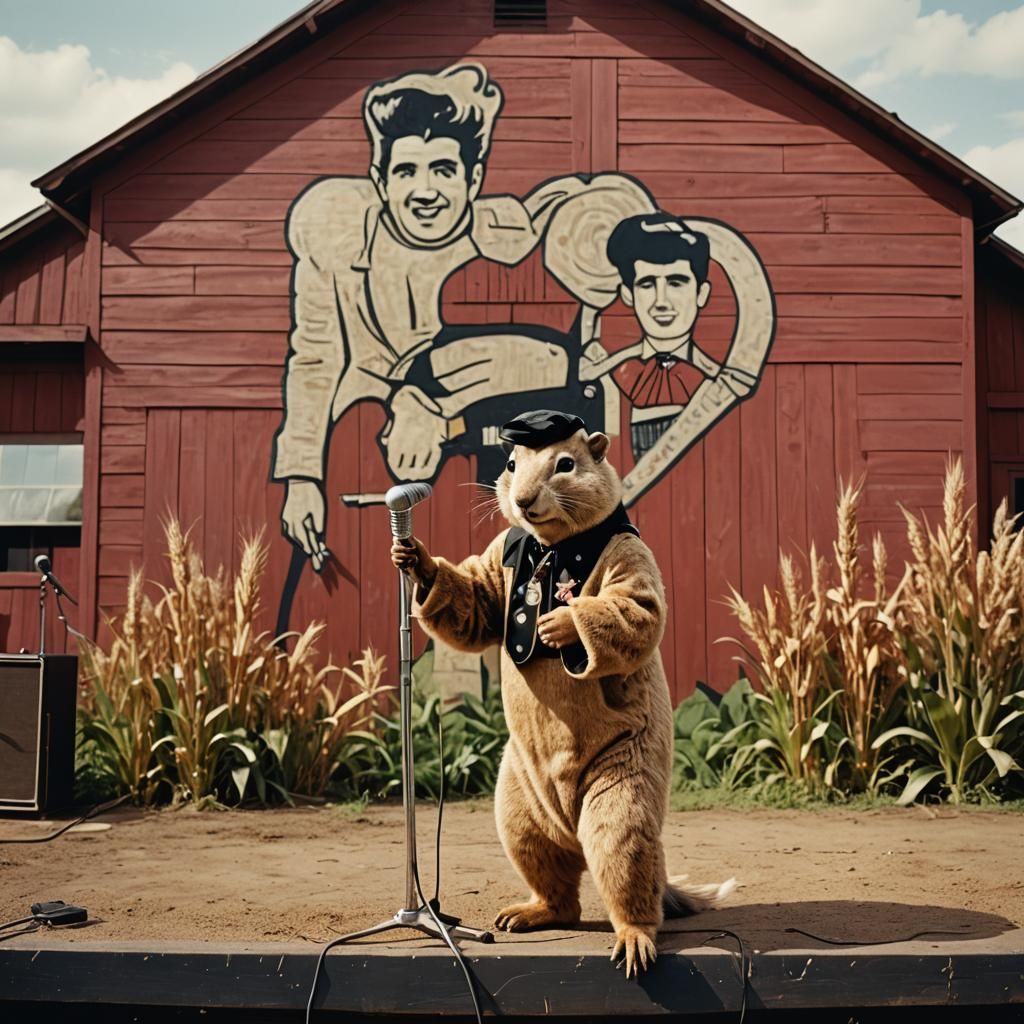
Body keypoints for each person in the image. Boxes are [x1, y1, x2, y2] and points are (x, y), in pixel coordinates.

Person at [272, 62, 652, 570]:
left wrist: (434, 406)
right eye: (406, 171)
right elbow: (314, 359)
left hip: (475, 470)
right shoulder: (335, 237)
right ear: (379, 178)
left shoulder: (508, 244)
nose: (425, 191)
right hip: (361, 451)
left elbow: (559, 338)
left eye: (444, 171)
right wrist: (302, 478)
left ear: (473, 178)